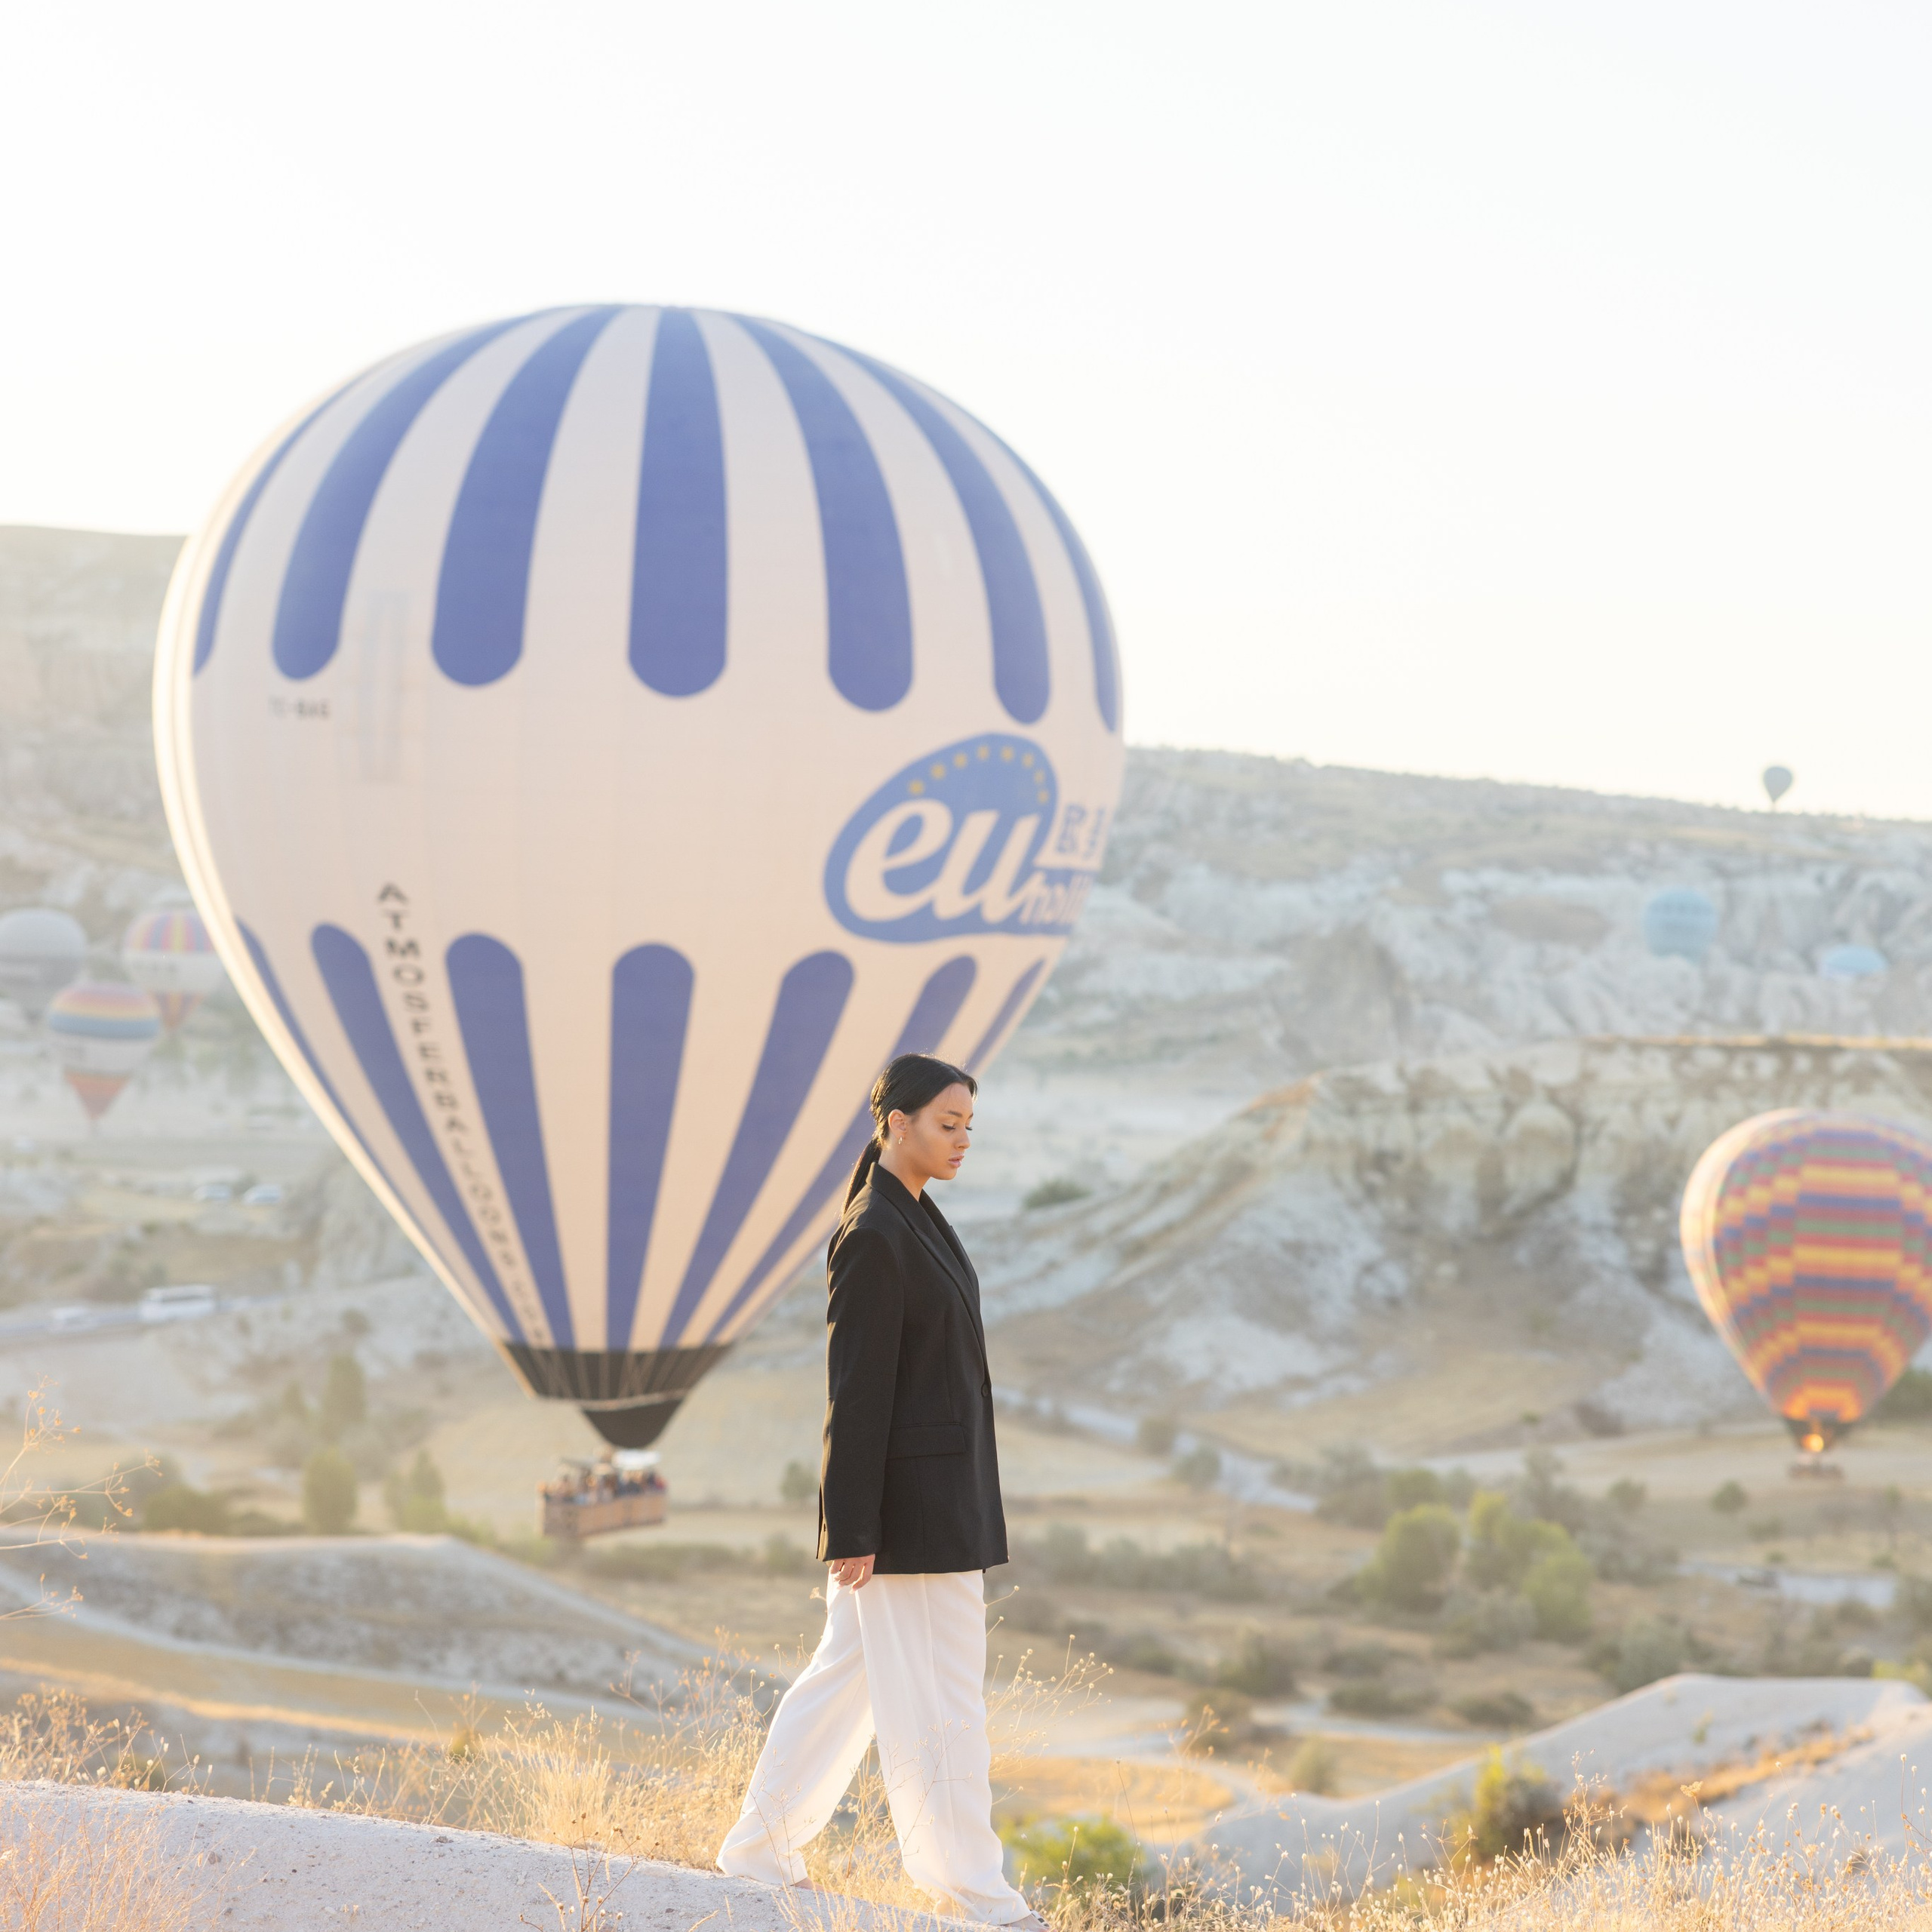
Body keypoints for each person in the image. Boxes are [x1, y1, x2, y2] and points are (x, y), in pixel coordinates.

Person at [717, 1054, 1041, 1927]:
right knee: (943, 1702)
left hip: (928, 1504)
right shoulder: (874, 1233)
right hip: (910, 1521)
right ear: (894, 1122)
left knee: (844, 1684)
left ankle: (757, 1850)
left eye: (969, 1123)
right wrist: (854, 1526)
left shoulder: (913, 1216)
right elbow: (855, 1394)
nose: (962, 1138)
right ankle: (970, 1889)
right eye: (947, 1122)